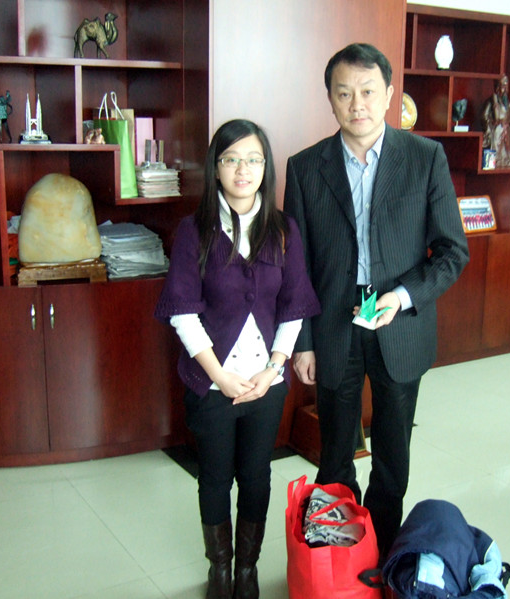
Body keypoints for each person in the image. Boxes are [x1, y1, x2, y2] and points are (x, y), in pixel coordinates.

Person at [284, 43, 470, 561]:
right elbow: (296, 266)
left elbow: (452, 251)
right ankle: (339, 560)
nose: (357, 104)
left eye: (368, 91)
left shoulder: (425, 158)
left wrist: (403, 296)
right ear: (330, 99)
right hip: (334, 325)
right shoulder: (305, 167)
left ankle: (381, 559)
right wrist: (302, 341)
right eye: (344, 93)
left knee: (392, 457)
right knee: (335, 456)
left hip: (400, 323)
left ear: (389, 94)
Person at [155, 119, 320, 599]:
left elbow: (294, 307)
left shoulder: (283, 229)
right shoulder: (194, 230)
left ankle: (247, 569)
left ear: (265, 167)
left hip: (266, 384)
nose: (242, 169)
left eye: (252, 159)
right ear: (216, 167)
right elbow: (183, 313)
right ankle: (220, 570)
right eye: (231, 159)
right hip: (211, 384)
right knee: (213, 477)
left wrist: (273, 369)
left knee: (256, 475)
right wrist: (219, 376)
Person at [481, 75, 510, 168]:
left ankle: (506, 161)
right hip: (496, 129)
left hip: (505, 130)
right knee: (495, 146)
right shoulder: (491, 102)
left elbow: (508, 116)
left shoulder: (508, 104)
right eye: (502, 86)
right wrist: (490, 124)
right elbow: (484, 116)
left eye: (506, 86)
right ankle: (491, 162)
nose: (504, 90)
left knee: (505, 149)